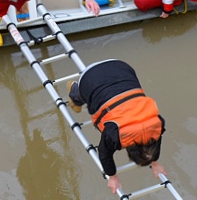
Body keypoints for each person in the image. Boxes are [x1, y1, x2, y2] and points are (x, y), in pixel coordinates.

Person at [67, 59, 167, 194]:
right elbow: (104, 153)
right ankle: (75, 90)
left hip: (121, 67)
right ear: (129, 150)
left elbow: (157, 138)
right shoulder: (114, 135)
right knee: (83, 99)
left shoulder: (157, 123)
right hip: (90, 77)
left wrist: (155, 162)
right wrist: (112, 177)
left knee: (109, 95)